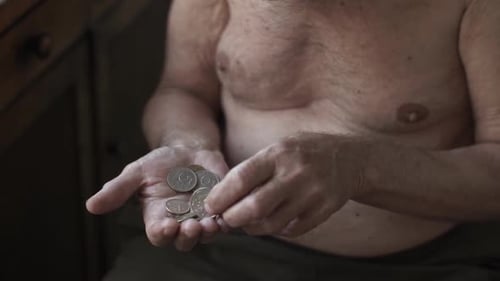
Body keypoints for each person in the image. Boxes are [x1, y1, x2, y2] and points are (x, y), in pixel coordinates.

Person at [86, 0, 500, 280]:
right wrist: (188, 143)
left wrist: (360, 167)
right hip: (221, 250)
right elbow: (182, 90)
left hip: (433, 263)